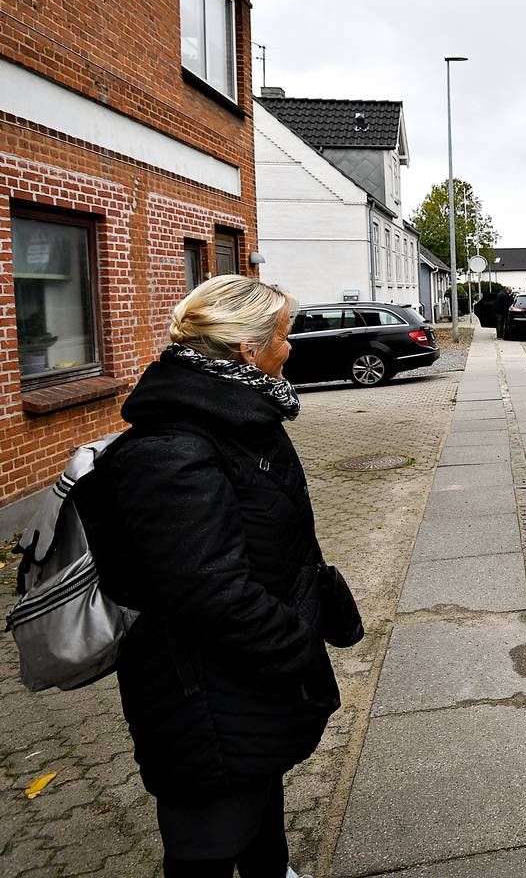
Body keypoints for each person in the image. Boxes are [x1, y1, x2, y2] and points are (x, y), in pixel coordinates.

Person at [93, 275, 347, 878]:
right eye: (284, 334)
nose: (292, 346)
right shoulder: (173, 451)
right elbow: (210, 592)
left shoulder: (236, 417)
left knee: (260, 810)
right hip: (202, 699)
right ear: (245, 351)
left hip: (245, 686)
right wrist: (296, 645)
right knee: (206, 843)